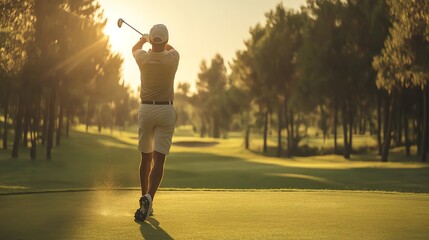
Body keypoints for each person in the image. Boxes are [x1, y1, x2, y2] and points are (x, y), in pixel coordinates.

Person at [132, 24, 179, 222]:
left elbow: (134, 49)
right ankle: (149, 199)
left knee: (146, 158)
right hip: (166, 110)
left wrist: (144, 40)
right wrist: (157, 42)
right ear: (166, 41)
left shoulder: (143, 58)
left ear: (152, 40)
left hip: (146, 110)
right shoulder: (173, 59)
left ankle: (145, 200)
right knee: (159, 160)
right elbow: (171, 49)